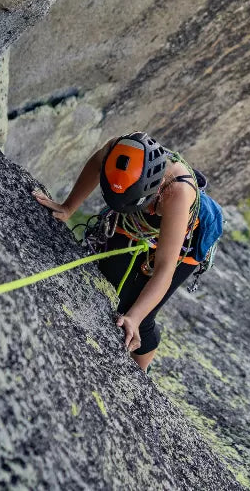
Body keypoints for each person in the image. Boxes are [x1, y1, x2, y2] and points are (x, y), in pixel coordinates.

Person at [33, 132, 210, 371]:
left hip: (187, 239)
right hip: (136, 217)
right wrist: (67, 208)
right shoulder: (121, 150)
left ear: (154, 191)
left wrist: (134, 318)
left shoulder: (177, 194)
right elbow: (96, 164)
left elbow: (165, 269)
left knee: (138, 310)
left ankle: (140, 375)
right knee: (108, 278)